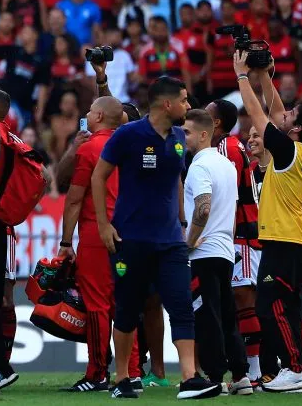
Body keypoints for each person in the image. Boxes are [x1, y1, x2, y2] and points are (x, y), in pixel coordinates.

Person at [90, 76, 221, 399]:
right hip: (130, 239)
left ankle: (189, 378)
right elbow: (99, 176)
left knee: (181, 305)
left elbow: (176, 178)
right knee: (127, 309)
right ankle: (123, 378)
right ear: (167, 104)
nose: (188, 106)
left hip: (171, 241)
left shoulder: (178, 137)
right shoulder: (128, 135)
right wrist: (104, 225)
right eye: (184, 100)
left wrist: (181, 221)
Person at [234, 52, 302, 392]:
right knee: (290, 307)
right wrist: (264, 74)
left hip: (282, 242)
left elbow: (258, 113)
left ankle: (293, 368)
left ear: (296, 128)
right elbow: (274, 112)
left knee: (269, 306)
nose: (283, 114)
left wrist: (242, 76)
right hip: (293, 241)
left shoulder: (287, 151)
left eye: (290, 115)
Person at [56, 96, 126, 392]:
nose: (86, 114)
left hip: (98, 232)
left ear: (97, 117)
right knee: (125, 302)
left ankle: (97, 373)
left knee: (97, 303)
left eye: (90, 111)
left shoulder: (90, 148)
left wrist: (65, 241)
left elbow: (74, 199)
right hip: (130, 231)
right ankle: (132, 372)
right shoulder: (130, 145)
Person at [181, 109, 251, 394]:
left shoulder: (199, 166)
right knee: (227, 314)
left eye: (186, 132)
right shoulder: (227, 165)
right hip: (224, 250)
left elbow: (203, 207)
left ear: (203, 135)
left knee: (207, 316)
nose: (182, 137)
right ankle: (241, 376)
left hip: (203, 253)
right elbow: (231, 212)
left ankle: (214, 377)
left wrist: (189, 241)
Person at [206, 98, 263, 383]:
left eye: (206, 113)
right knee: (235, 300)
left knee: (243, 299)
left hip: (240, 233)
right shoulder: (227, 146)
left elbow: (229, 194)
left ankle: (255, 371)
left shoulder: (227, 148)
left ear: (216, 122)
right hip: (236, 232)